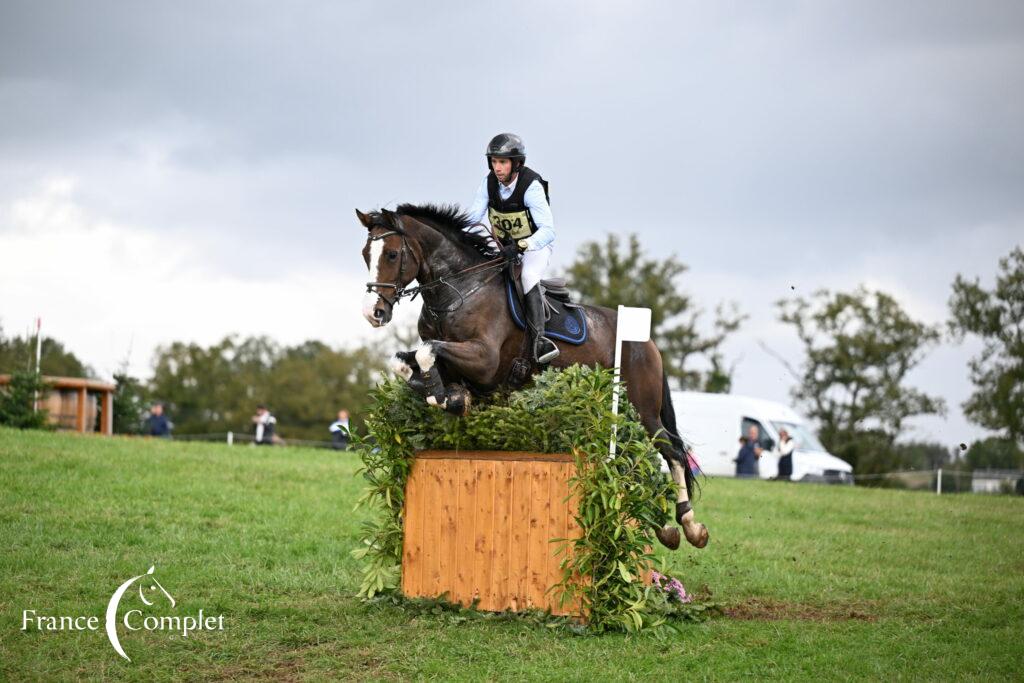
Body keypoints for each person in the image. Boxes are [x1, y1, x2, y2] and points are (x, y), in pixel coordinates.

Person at [465, 132, 559, 364]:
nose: (497, 168)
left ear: (516, 163)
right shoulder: (488, 183)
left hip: (535, 246)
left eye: (503, 162)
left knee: (527, 276)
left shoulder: (531, 186)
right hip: (504, 247)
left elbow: (548, 230)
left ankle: (540, 341)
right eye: (494, 162)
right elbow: (473, 218)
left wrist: (521, 245)